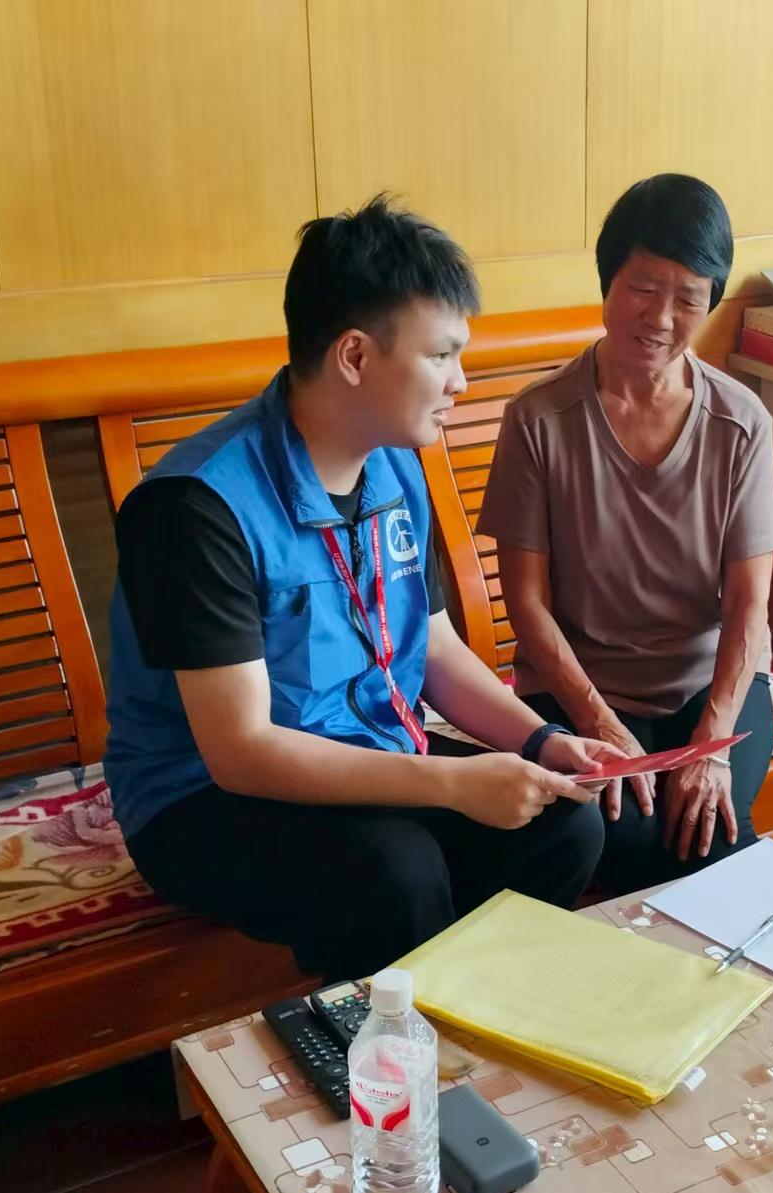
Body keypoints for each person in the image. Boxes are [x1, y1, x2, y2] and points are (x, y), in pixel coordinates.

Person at [104, 195, 623, 980]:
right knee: (394, 870)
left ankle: (471, 1016)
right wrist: (453, 781)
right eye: (441, 355)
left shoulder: (393, 466)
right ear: (354, 355)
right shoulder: (196, 507)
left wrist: (541, 741)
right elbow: (241, 751)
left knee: (561, 828)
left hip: (370, 753)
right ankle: (389, 1045)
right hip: (201, 796)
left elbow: (434, 648)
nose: (460, 381)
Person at [476, 174, 773, 896]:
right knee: (634, 841)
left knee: (706, 827)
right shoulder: (539, 419)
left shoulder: (741, 422)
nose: (662, 317)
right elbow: (527, 604)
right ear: (608, 280)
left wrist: (710, 746)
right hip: (578, 685)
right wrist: (599, 718)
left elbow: (749, 604)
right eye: (643, 287)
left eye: (689, 298)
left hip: (710, 685)